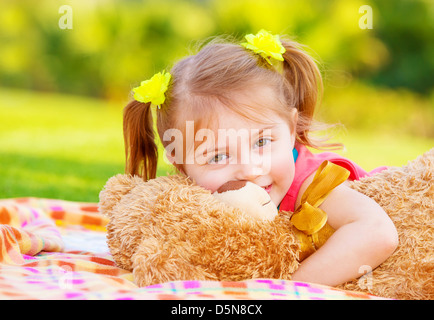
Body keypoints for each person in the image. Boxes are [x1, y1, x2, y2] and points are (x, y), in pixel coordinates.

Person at [122, 30, 398, 286]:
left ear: (291, 130)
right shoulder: (192, 205)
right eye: (218, 155)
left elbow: (378, 233)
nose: (251, 169)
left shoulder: (314, 185)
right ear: (181, 164)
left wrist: (282, 289)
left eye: (262, 142)